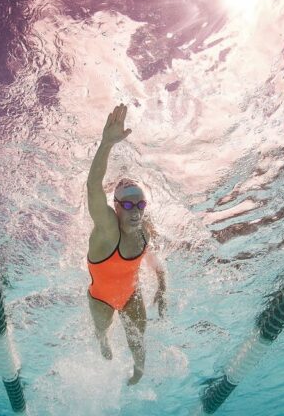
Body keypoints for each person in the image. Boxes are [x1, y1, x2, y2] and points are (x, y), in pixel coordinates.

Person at [86, 103, 166, 385]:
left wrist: (162, 285)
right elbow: (94, 188)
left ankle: (138, 374)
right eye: (128, 204)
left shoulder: (145, 227)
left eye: (140, 204)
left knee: (138, 340)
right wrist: (106, 143)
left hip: (131, 295)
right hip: (100, 299)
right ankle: (103, 341)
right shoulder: (107, 231)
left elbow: (153, 256)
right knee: (102, 331)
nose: (135, 211)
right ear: (116, 207)